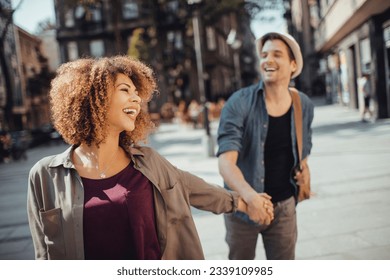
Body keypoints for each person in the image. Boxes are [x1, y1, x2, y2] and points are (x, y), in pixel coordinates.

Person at [27, 55, 273, 260]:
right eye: (125, 90)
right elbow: (43, 256)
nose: (136, 98)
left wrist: (244, 202)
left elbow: (195, 188)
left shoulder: (150, 163)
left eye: (137, 92)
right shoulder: (44, 176)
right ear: (93, 99)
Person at [217, 32, 314, 260]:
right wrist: (252, 199)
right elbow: (225, 163)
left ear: (293, 65)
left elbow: (303, 151)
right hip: (242, 207)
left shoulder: (304, 105)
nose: (267, 60)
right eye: (264, 54)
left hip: (284, 208)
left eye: (276, 54)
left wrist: (304, 172)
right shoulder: (239, 102)